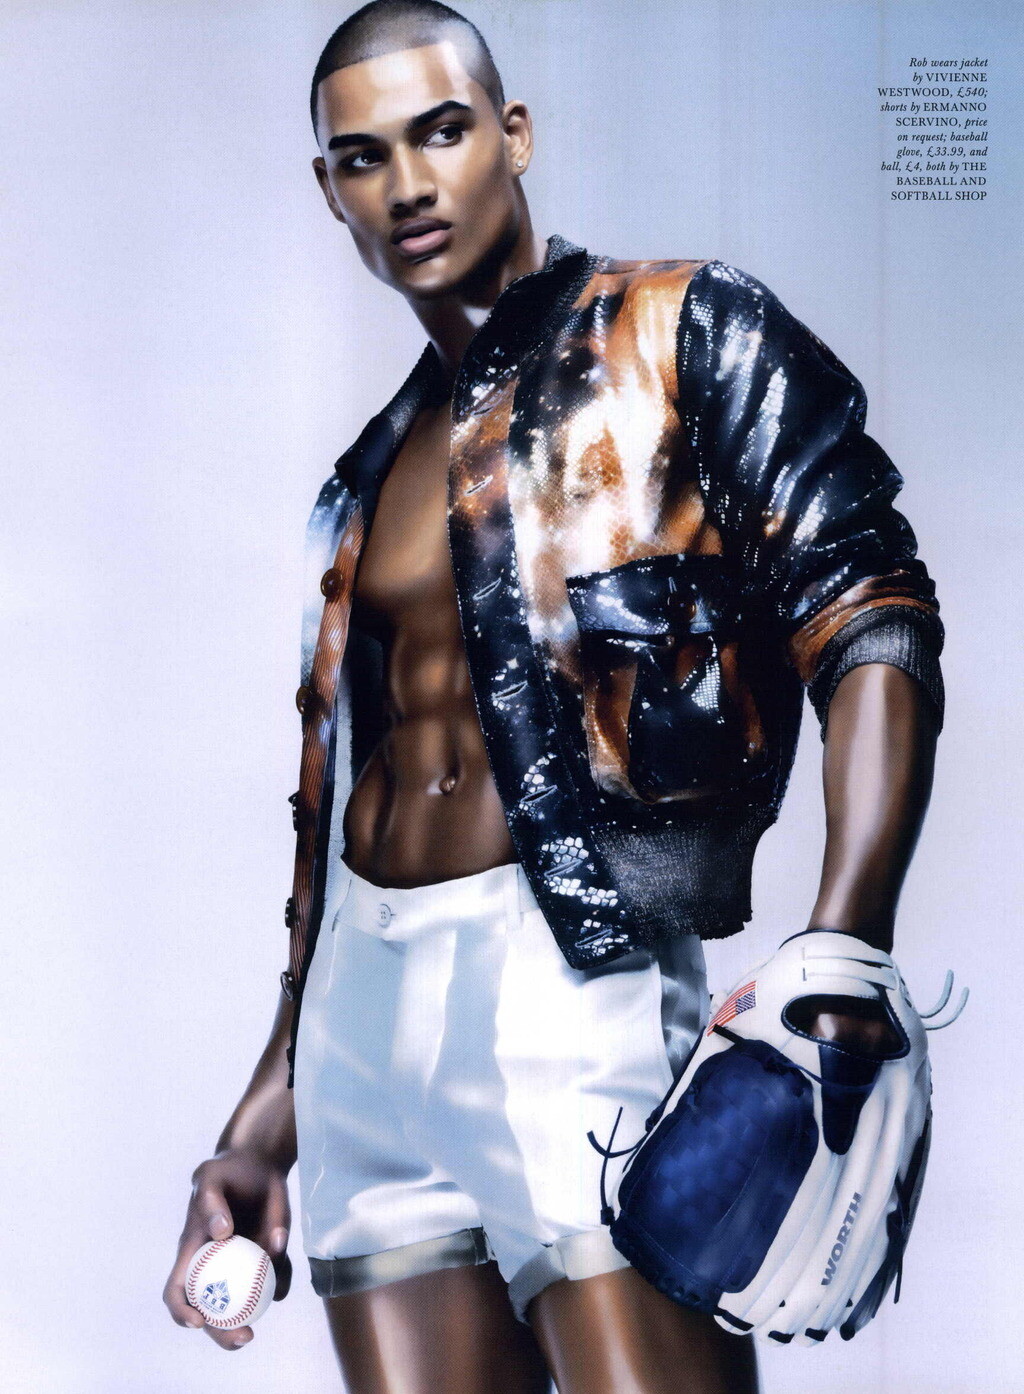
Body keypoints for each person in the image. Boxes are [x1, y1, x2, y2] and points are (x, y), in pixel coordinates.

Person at [163, 3, 945, 1391]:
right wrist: (262, 1122)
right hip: (360, 1032)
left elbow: (869, 608)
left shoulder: (684, 328)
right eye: (363, 157)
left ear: (513, 136)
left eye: (441, 132)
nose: (408, 184)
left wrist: (848, 937)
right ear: (329, 190)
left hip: (576, 992)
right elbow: (342, 818)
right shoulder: (362, 479)